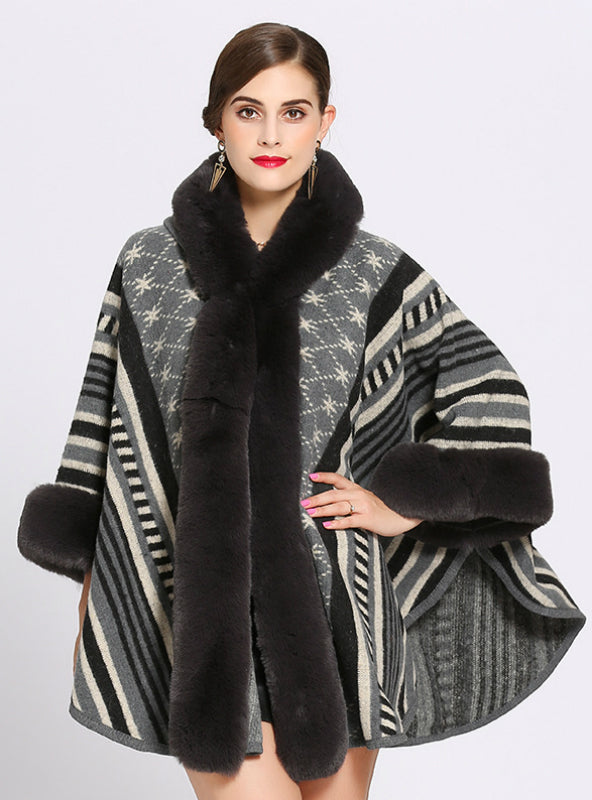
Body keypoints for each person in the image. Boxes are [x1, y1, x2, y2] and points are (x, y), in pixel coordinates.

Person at [17, 21, 584, 800]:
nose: (271, 135)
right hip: (200, 613)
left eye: (294, 112)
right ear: (216, 120)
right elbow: (104, 420)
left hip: (339, 610)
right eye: (249, 111)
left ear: (325, 121)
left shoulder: (374, 271)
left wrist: (404, 503)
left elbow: (489, 387)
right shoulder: (148, 263)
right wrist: (98, 581)